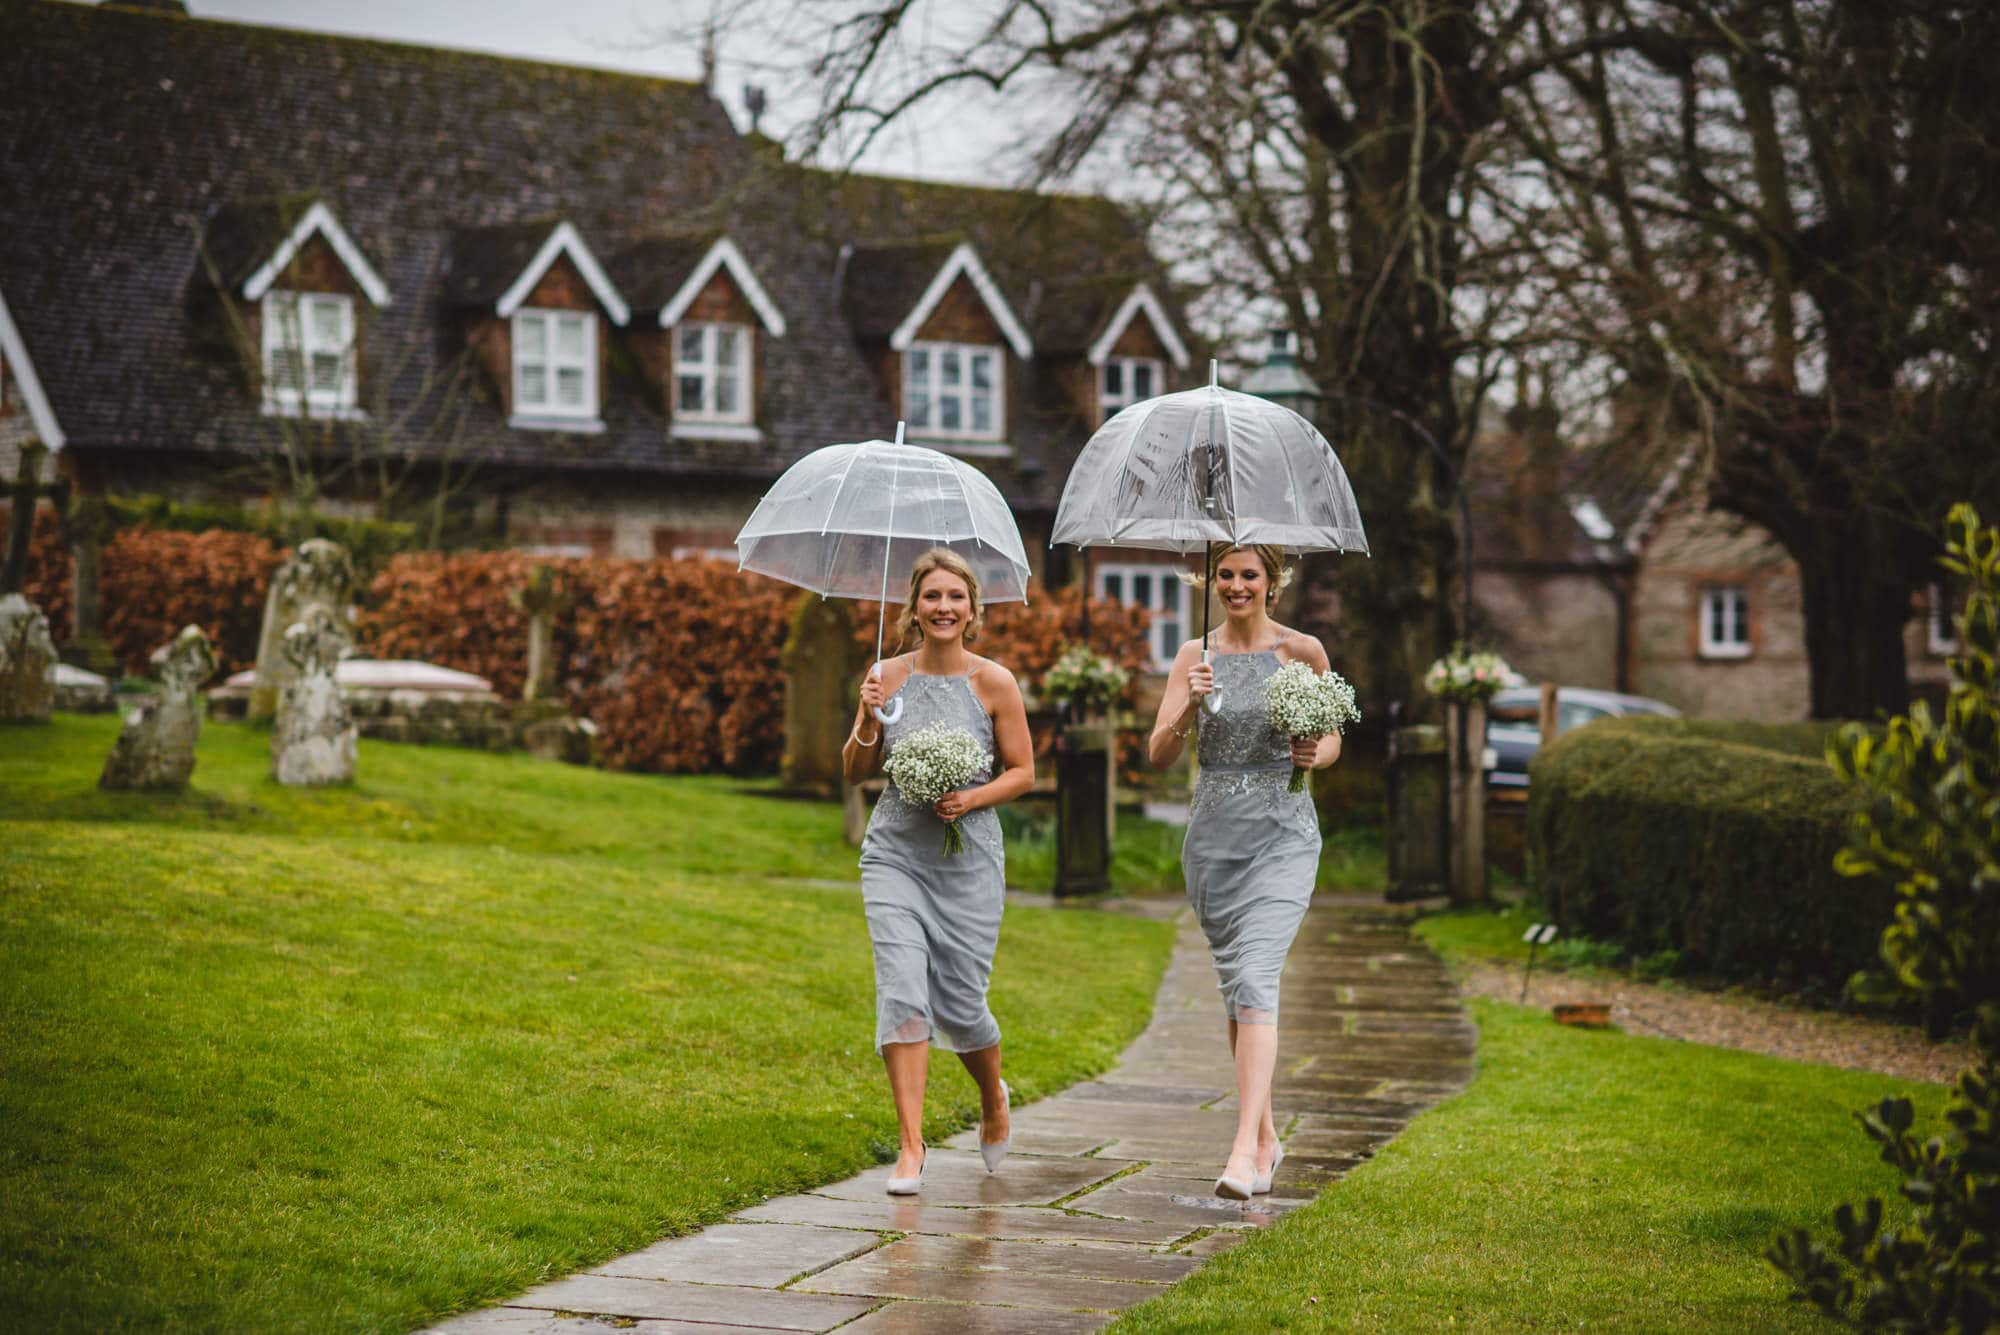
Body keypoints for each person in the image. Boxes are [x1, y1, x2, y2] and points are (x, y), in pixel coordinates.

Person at [1148, 543, 1341, 1200]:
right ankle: (1266, 1135)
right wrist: (1186, 707)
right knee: (1238, 986)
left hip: (1283, 834)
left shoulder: (1302, 650)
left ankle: (1241, 1149)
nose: (1235, 585)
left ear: (1272, 580)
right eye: (1224, 574)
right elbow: (1157, 751)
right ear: (1211, 578)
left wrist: (1317, 751)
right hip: (1213, 842)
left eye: (1248, 574)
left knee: (1257, 978)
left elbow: (1335, 731)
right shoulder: (1191, 658)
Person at [842, 547, 1035, 1195]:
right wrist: (867, 717)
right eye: (932, 596)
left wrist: (970, 798)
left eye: (956, 596)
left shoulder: (995, 683)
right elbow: (852, 771)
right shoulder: (884, 676)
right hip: (895, 851)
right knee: (901, 987)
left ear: (973, 609)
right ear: (915, 608)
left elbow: (1023, 771)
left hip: (969, 858)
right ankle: (910, 1145)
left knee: (961, 1001)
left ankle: (992, 1095)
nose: (944, 607)